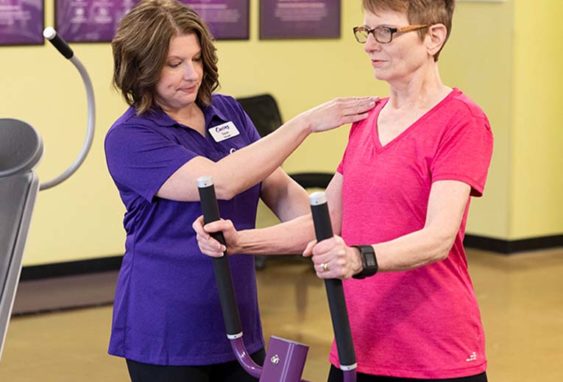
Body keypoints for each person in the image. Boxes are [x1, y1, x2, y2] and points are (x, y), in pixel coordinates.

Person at [194, 0, 494, 381]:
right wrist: (241, 242)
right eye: (365, 32)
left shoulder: (461, 120)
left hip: (434, 354)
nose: (370, 44)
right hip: (357, 348)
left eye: (385, 31)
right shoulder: (366, 120)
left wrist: (357, 259)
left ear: (433, 37)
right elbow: (328, 222)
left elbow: (438, 238)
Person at [104, 0, 375, 381]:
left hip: (238, 322)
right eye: (174, 63)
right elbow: (219, 183)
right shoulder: (130, 137)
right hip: (166, 330)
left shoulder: (227, 112)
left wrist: (329, 219)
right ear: (141, 67)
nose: (191, 74)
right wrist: (306, 123)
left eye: (197, 59)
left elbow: (282, 193)